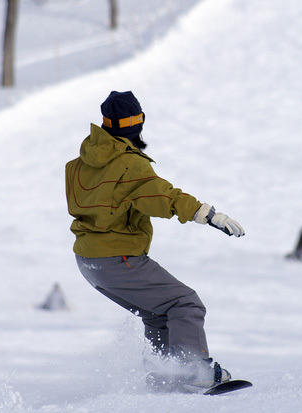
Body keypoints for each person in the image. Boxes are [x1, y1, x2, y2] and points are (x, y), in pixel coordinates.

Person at [65, 91, 245, 391]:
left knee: (160, 315)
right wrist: (207, 214)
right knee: (184, 304)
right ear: (137, 123)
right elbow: (161, 195)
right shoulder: (129, 165)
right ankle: (195, 372)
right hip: (117, 259)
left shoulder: (79, 164)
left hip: (88, 261)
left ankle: (164, 379)